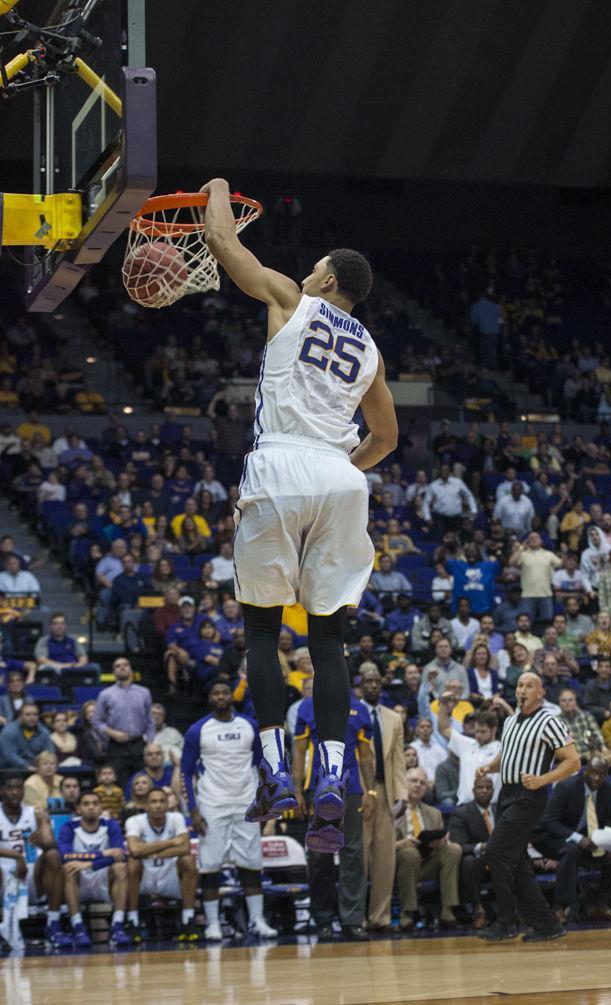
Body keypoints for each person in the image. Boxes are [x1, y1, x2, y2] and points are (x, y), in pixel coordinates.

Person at [202, 177, 398, 854]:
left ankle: (279, 770)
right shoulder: (371, 350)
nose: (308, 268)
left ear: (327, 276)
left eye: (317, 264)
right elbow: (387, 437)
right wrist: (346, 468)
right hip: (341, 479)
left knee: (261, 630)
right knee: (329, 641)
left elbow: (222, 241)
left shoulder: (293, 297)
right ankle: (334, 777)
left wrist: (219, 187)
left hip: (281, 463)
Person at [475, 672, 580, 942]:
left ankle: (507, 921)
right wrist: (489, 767)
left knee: (495, 852)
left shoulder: (549, 721)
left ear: (541, 693)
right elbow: (507, 754)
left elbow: (573, 762)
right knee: (517, 861)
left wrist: (543, 780)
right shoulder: (510, 721)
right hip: (506, 794)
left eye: (529, 686)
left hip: (529, 797)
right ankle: (547, 925)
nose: (522, 690)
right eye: (520, 685)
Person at [181, 680, 276, 940]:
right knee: (210, 865)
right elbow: (185, 772)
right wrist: (193, 810)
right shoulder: (197, 730)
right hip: (212, 804)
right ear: (210, 698)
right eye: (216, 693)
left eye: (225, 692)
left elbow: (262, 765)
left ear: (231, 697)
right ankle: (212, 923)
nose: (221, 697)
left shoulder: (250, 726)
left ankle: (257, 920)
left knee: (251, 863)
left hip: (246, 803)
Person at [292, 695, 375, 940]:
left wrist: (371, 791)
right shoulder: (307, 706)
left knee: (353, 855)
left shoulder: (359, 709)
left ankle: (352, 919)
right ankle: (324, 919)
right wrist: (296, 789)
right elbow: (298, 750)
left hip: (352, 791)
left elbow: (366, 755)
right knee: (319, 856)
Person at [533, 756, 611, 924]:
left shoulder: (610, 789)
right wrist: (578, 838)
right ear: (585, 771)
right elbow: (547, 821)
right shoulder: (565, 787)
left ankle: (601, 903)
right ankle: (560, 907)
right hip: (552, 837)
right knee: (571, 850)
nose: (597, 778)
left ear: (607, 776)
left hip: (590, 839)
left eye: (602, 774)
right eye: (593, 773)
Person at [358, 666, 407, 932]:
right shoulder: (350, 713)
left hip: (386, 788)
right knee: (360, 855)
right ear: (360, 686)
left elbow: (399, 760)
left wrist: (402, 794)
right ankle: (357, 916)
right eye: (369, 681)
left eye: (378, 681)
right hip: (360, 791)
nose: (374, 685)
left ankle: (381, 916)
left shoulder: (393, 718)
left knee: (385, 857)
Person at [0, 774, 72, 948]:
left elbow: (51, 843)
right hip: (4, 875)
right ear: (1, 791)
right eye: (10, 788)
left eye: (19, 788)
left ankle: (53, 924)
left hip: (33, 875)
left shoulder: (37, 813)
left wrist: (42, 841)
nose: (15, 792)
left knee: (53, 855)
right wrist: (17, 857)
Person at [57, 790, 131, 947]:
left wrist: (89, 863)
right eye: (86, 804)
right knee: (69, 869)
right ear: (78, 809)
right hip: (79, 880)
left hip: (103, 878)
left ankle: (117, 926)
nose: (91, 807)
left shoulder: (111, 825)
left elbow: (120, 854)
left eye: (95, 804)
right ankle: (78, 927)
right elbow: (65, 856)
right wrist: (103, 853)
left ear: (100, 808)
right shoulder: (69, 827)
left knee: (120, 868)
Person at [125, 788, 199, 942]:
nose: (158, 805)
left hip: (170, 874)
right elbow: (134, 850)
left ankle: (188, 919)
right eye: (153, 801)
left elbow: (185, 848)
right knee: (132, 863)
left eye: (161, 801)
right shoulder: (134, 821)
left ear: (167, 804)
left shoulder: (176, 818)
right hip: (144, 876)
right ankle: (133, 920)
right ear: (146, 805)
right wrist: (171, 842)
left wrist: (150, 852)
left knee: (188, 860)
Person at [394, 767, 462, 931]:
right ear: (404, 783)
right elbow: (380, 848)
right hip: (400, 864)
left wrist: (439, 844)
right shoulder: (392, 810)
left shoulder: (434, 813)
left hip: (427, 861)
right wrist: (403, 843)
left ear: (427, 788)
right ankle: (407, 914)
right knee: (410, 853)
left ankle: (448, 911)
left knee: (454, 849)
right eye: (413, 781)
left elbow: (440, 841)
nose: (418, 785)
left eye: (422, 783)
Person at [92, 656, 155, 787]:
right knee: (118, 783)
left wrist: (150, 742)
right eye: (118, 666)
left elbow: (150, 720)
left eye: (125, 664)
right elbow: (96, 721)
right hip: (116, 746)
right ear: (114, 672)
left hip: (139, 744)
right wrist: (112, 733)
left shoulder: (144, 692)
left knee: (142, 783)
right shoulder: (105, 694)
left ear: (131, 669)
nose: (122, 667)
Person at [448, 775, 497, 929]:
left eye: (488, 788)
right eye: (480, 787)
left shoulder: (501, 809)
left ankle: (519, 909)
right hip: (479, 862)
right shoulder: (461, 812)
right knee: (468, 862)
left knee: (519, 857)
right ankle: (478, 909)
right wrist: (482, 847)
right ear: (473, 791)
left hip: (500, 860)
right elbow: (459, 845)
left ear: (493, 791)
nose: (484, 791)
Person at [437, 709, 502, 806]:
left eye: (483, 732)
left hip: (493, 806)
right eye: (476, 731)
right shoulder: (466, 744)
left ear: (494, 730)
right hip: (465, 805)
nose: (478, 735)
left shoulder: (502, 749)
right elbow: (444, 729)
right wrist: (443, 706)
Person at [509, 532, 562, 626]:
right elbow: (511, 562)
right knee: (527, 624)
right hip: (527, 595)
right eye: (531, 537)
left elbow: (561, 564)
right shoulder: (523, 554)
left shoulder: (549, 554)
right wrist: (521, 548)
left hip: (546, 594)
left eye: (536, 537)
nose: (533, 539)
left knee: (547, 623)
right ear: (527, 541)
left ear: (541, 541)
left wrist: (564, 552)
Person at [34, 612, 101, 678]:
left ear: (65, 626)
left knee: (95, 667)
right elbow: (42, 661)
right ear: (50, 626)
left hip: (74, 669)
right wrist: (63, 666)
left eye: (62, 624)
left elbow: (83, 658)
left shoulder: (73, 639)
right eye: (55, 624)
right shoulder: (44, 641)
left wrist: (76, 666)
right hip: (55, 669)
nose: (59, 627)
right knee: (45, 668)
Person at [0, 702, 54, 768]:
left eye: (35, 714)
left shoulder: (44, 732)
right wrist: (27, 766)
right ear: (20, 716)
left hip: (38, 769)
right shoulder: (9, 731)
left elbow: (49, 753)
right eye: (28, 715)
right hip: (11, 770)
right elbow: (10, 756)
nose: (32, 717)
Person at [409, 718, 447, 783]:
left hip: (437, 784)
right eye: (422, 726)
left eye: (428, 726)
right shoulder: (412, 747)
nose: (425, 729)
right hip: (417, 784)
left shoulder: (440, 749)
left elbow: (445, 770)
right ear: (417, 730)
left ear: (432, 730)